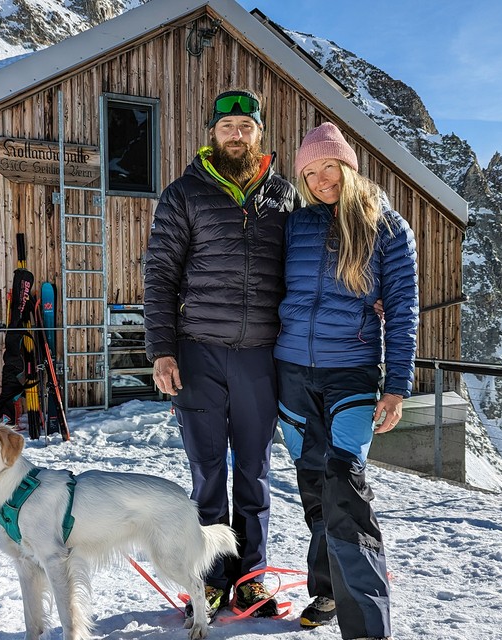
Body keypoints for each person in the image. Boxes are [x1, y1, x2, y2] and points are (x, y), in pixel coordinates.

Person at [144, 89, 297, 620]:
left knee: (253, 472)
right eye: (228, 125)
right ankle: (208, 579)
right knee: (208, 472)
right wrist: (163, 351)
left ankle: (251, 578)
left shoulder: (284, 196)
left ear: (260, 134)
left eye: (246, 126)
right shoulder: (184, 193)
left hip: (260, 357)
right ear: (213, 132)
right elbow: (160, 276)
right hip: (199, 354)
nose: (237, 134)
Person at [274, 122, 419, 640]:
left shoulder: (387, 227)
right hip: (291, 374)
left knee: (346, 491)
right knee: (313, 487)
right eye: (309, 172)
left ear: (348, 166)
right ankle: (329, 589)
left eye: (327, 167)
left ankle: (367, 629)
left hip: (351, 375)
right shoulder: (295, 225)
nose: (319, 180)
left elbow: (402, 310)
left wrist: (397, 385)